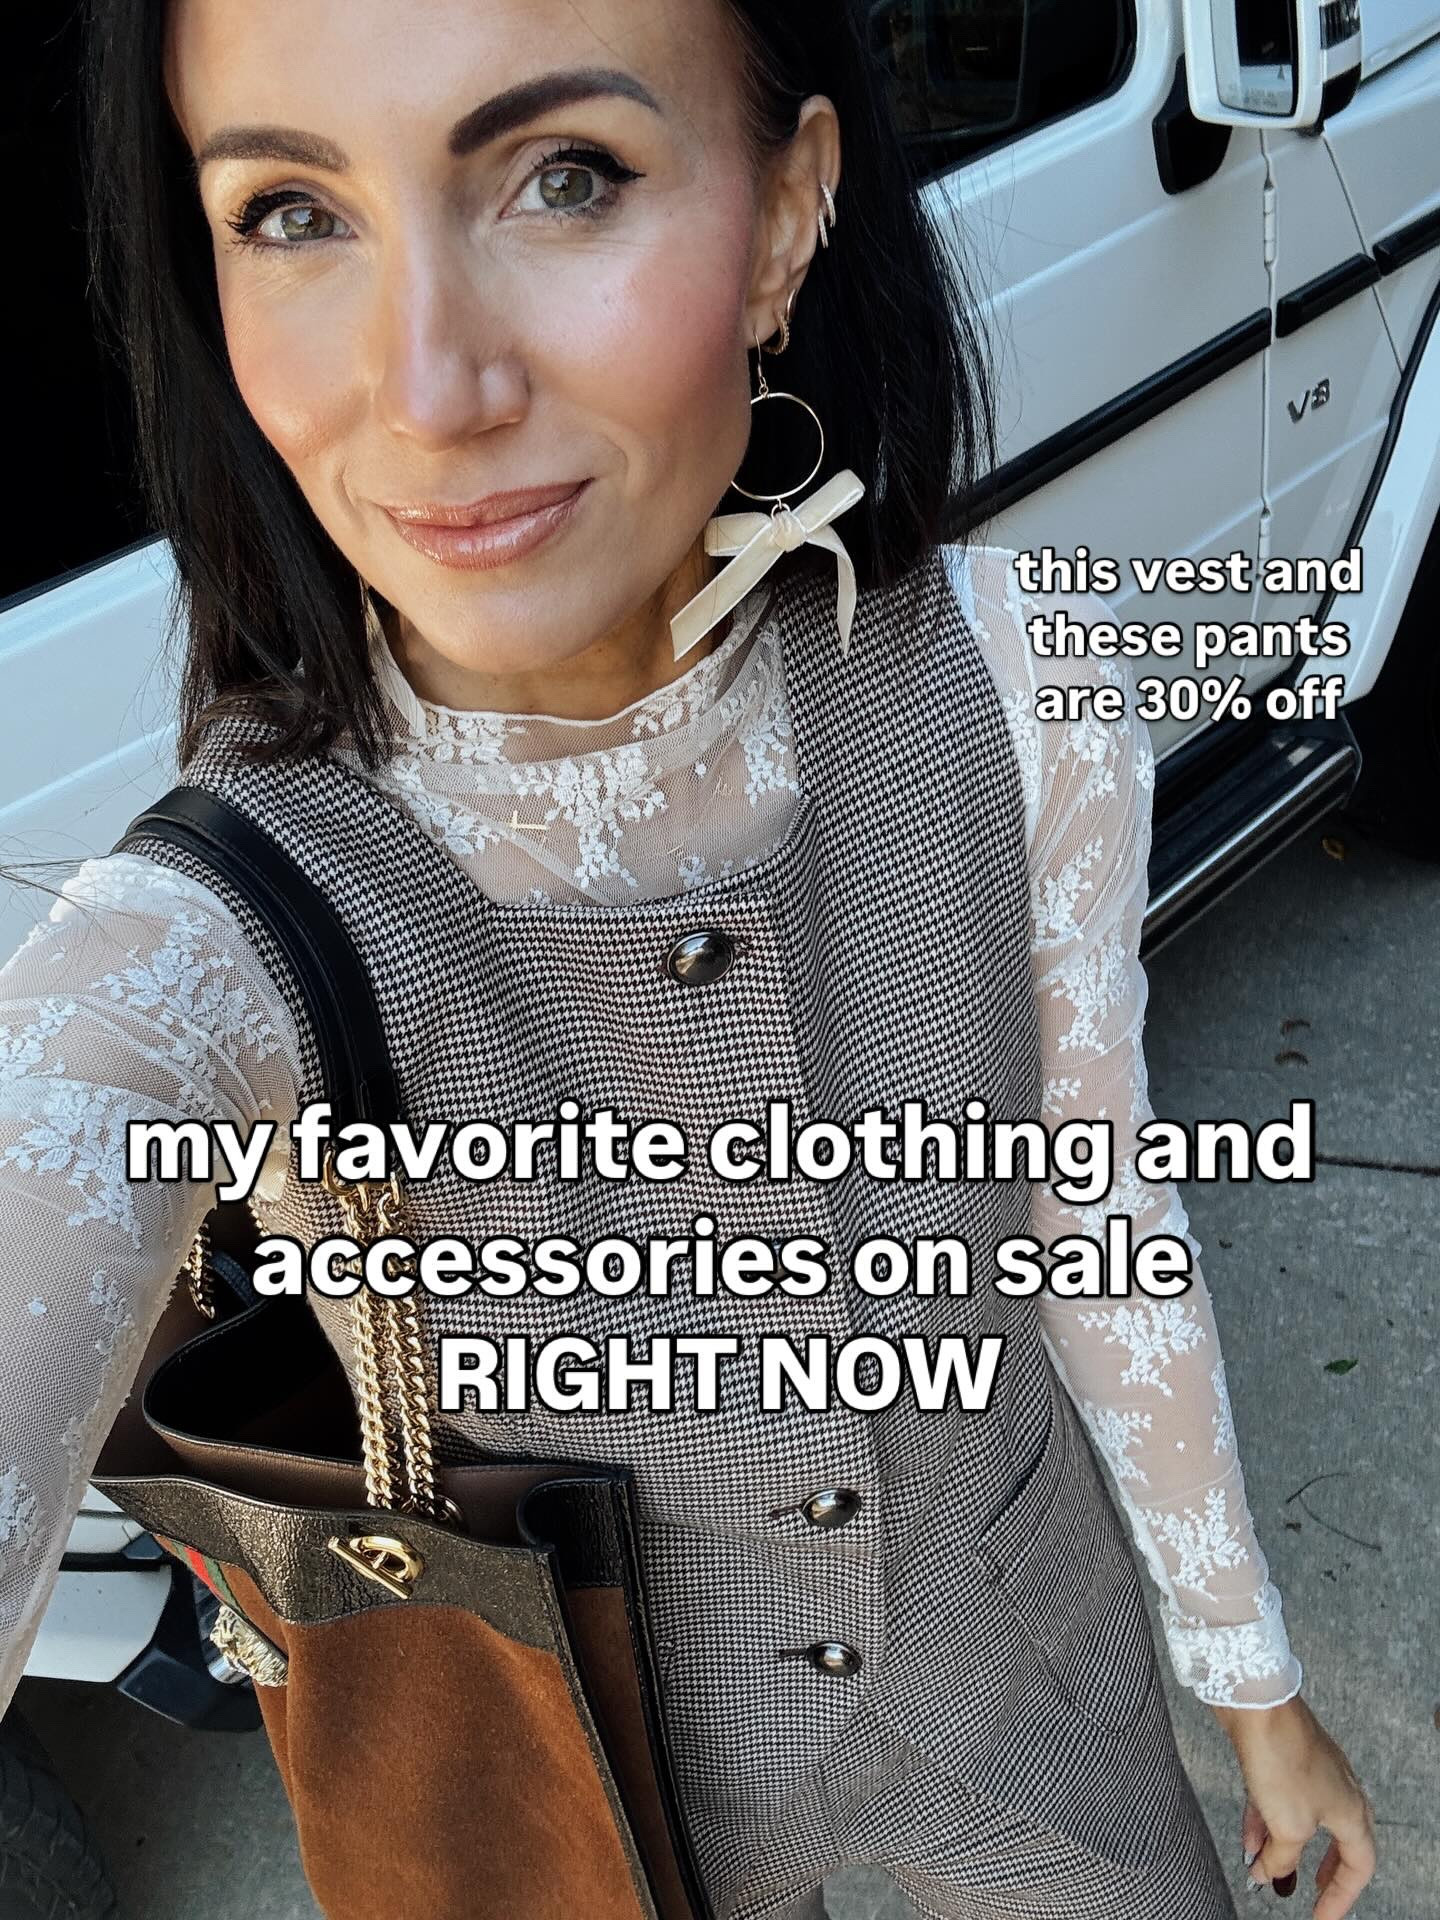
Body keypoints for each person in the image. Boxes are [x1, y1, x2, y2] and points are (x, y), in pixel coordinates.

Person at [0, 2, 1376, 1917]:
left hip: (1029, 1666)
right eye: (293, 214)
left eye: (566, 177)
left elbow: (1093, 1202)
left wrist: (1248, 1672)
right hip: (599, 1784)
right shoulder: (202, 930)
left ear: (789, 213)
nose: (429, 387)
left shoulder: (1014, 674)